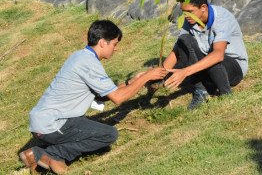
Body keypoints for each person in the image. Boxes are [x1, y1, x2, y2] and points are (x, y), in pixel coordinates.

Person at [19, 20, 167, 174]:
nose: (116, 49)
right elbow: (118, 98)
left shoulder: (80, 57)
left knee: (96, 132)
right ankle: (48, 155)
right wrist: (147, 77)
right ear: (103, 42)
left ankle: (35, 155)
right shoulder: (89, 63)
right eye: (114, 44)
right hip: (53, 124)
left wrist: (133, 80)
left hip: (42, 123)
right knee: (108, 135)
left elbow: (105, 95)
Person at [164, 0, 248, 110]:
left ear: (203, 7)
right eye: (184, 12)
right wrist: (160, 74)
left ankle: (226, 94)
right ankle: (201, 90)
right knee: (183, 40)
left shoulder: (222, 18)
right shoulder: (189, 20)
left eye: (190, 12)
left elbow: (218, 55)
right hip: (209, 61)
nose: (186, 16)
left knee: (213, 59)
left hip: (232, 66)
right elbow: (177, 49)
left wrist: (185, 72)